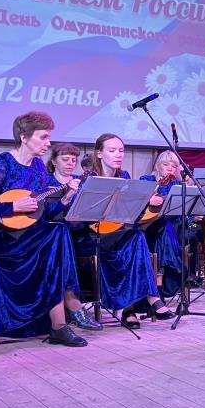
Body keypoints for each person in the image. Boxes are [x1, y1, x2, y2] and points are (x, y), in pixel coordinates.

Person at [0, 112, 100, 346]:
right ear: (24, 137)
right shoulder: (2, 163)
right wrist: (11, 206)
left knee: (57, 231)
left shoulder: (37, 166)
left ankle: (59, 323)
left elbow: (40, 212)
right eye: (43, 137)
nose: (48, 142)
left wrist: (64, 199)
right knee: (57, 234)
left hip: (24, 234)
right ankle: (68, 308)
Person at [71, 133, 173, 329]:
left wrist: (145, 202)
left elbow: (132, 213)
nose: (118, 154)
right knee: (134, 239)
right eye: (112, 150)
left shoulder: (124, 176)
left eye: (121, 150)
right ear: (99, 153)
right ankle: (148, 301)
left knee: (135, 237)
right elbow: (78, 217)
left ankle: (131, 309)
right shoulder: (89, 178)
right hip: (91, 236)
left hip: (117, 233)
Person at [140, 150, 186, 299]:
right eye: (166, 164)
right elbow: (136, 202)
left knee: (166, 228)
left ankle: (158, 285)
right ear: (158, 165)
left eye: (174, 166)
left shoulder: (178, 185)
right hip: (148, 226)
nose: (170, 168)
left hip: (173, 227)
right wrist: (149, 199)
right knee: (163, 228)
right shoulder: (147, 180)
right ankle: (173, 275)